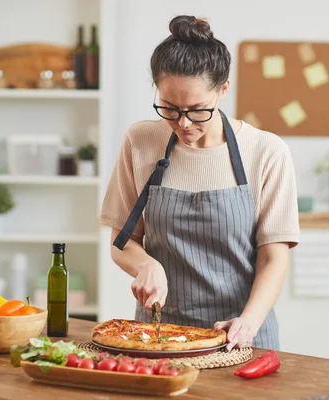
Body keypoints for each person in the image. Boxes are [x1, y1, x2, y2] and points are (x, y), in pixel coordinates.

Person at [100, 15, 299, 351]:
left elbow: (273, 257)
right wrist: (145, 265)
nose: (183, 122)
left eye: (197, 110)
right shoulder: (141, 140)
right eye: (169, 108)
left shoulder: (266, 151)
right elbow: (122, 241)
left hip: (240, 335)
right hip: (158, 336)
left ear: (223, 90)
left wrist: (247, 323)